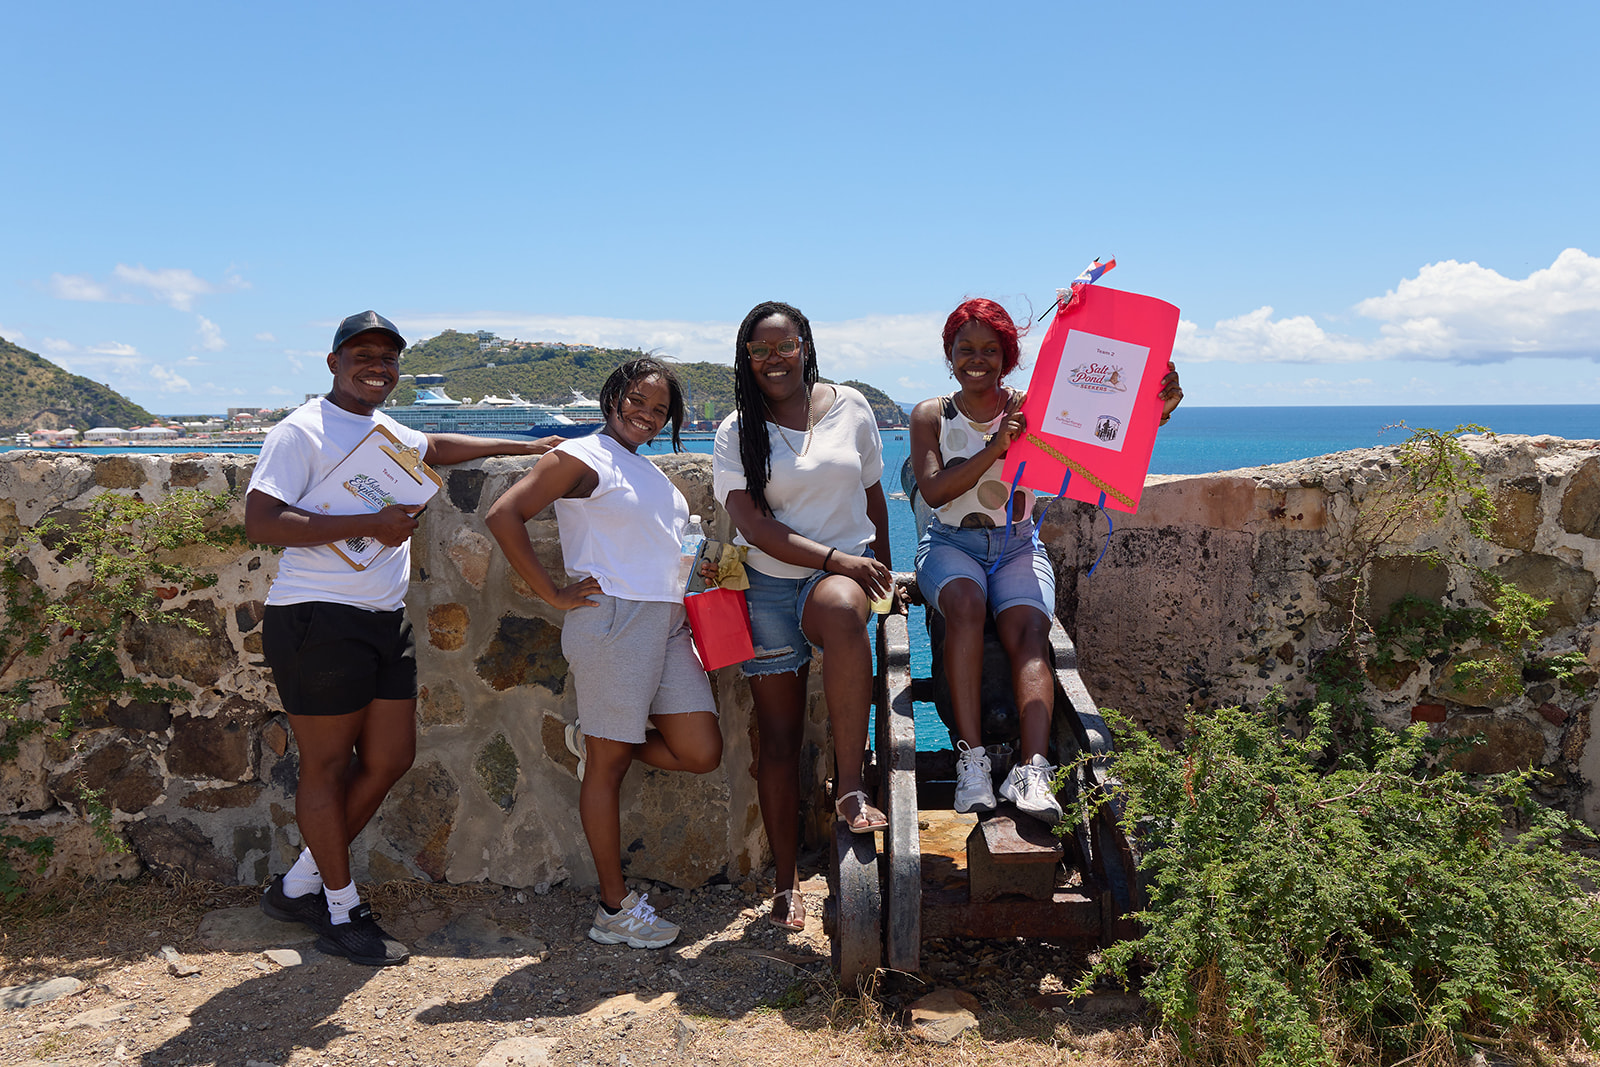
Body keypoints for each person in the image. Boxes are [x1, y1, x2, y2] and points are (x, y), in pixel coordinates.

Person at [247, 310, 556, 967]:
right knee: (327, 766)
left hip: (383, 617)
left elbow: (433, 446)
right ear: (333, 362)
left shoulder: (385, 431)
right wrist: (370, 523)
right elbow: (262, 519)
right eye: (363, 355)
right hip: (317, 615)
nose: (377, 367)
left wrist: (530, 446)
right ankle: (340, 909)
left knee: (390, 757)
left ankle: (297, 886)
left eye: (388, 359)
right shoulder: (299, 430)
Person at [909, 298, 1183, 824]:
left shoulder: (1032, 404)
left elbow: (1102, 433)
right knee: (965, 607)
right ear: (950, 354)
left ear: (1007, 357)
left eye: (990, 350)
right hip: (950, 544)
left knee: (1032, 631)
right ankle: (972, 761)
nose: (977, 360)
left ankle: (1031, 770)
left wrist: (1158, 403)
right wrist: (997, 446)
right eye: (965, 349)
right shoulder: (931, 415)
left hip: (1017, 544)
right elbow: (936, 491)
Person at [486, 357, 722, 950]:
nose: (646, 415)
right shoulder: (581, 456)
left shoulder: (650, 474)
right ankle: (613, 909)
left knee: (701, 751)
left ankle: (593, 739)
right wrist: (552, 592)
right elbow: (503, 514)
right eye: (636, 401)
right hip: (615, 621)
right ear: (611, 397)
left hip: (668, 623)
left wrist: (694, 570)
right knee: (608, 769)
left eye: (659, 409)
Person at [711, 300, 892, 932]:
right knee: (780, 739)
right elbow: (752, 526)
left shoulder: (852, 407)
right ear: (746, 359)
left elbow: (872, 494)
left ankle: (850, 790)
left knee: (841, 608)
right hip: (767, 586)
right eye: (759, 350)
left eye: (784, 346)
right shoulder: (736, 430)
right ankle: (786, 884)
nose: (773, 359)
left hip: (835, 582)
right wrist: (838, 556)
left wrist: (882, 576)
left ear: (805, 347)